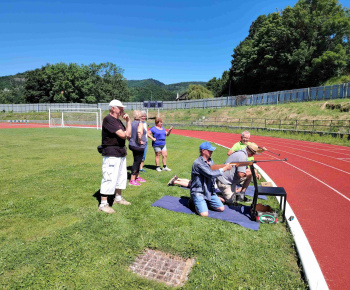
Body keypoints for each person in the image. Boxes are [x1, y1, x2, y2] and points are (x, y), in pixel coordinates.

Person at [98, 99, 131, 214]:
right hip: (111, 152)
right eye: (120, 107)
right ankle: (103, 204)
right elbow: (123, 135)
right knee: (109, 177)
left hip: (120, 152)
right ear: (113, 108)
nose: (122, 109)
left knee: (121, 176)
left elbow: (129, 135)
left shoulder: (119, 121)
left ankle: (118, 198)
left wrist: (128, 121)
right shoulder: (109, 119)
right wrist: (126, 133)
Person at [190, 142, 232, 217]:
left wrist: (224, 166)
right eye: (210, 150)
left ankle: (204, 202)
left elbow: (214, 169)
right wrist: (224, 169)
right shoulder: (198, 163)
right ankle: (193, 202)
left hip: (209, 191)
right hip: (199, 192)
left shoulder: (210, 160)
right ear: (203, 151)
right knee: (204, 214)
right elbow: (211, 174)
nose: (212, 152)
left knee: (221, 208)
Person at [128, 110, 147, 186]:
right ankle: (132, 180)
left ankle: (137, 176)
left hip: (132, 145)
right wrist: (139, 141)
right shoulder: (140, 123)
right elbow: (140, 132)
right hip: (138, 146)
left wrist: (131, 140)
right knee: (137, 162)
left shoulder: (131, 124)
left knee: (137, 161)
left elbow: (128, 134)